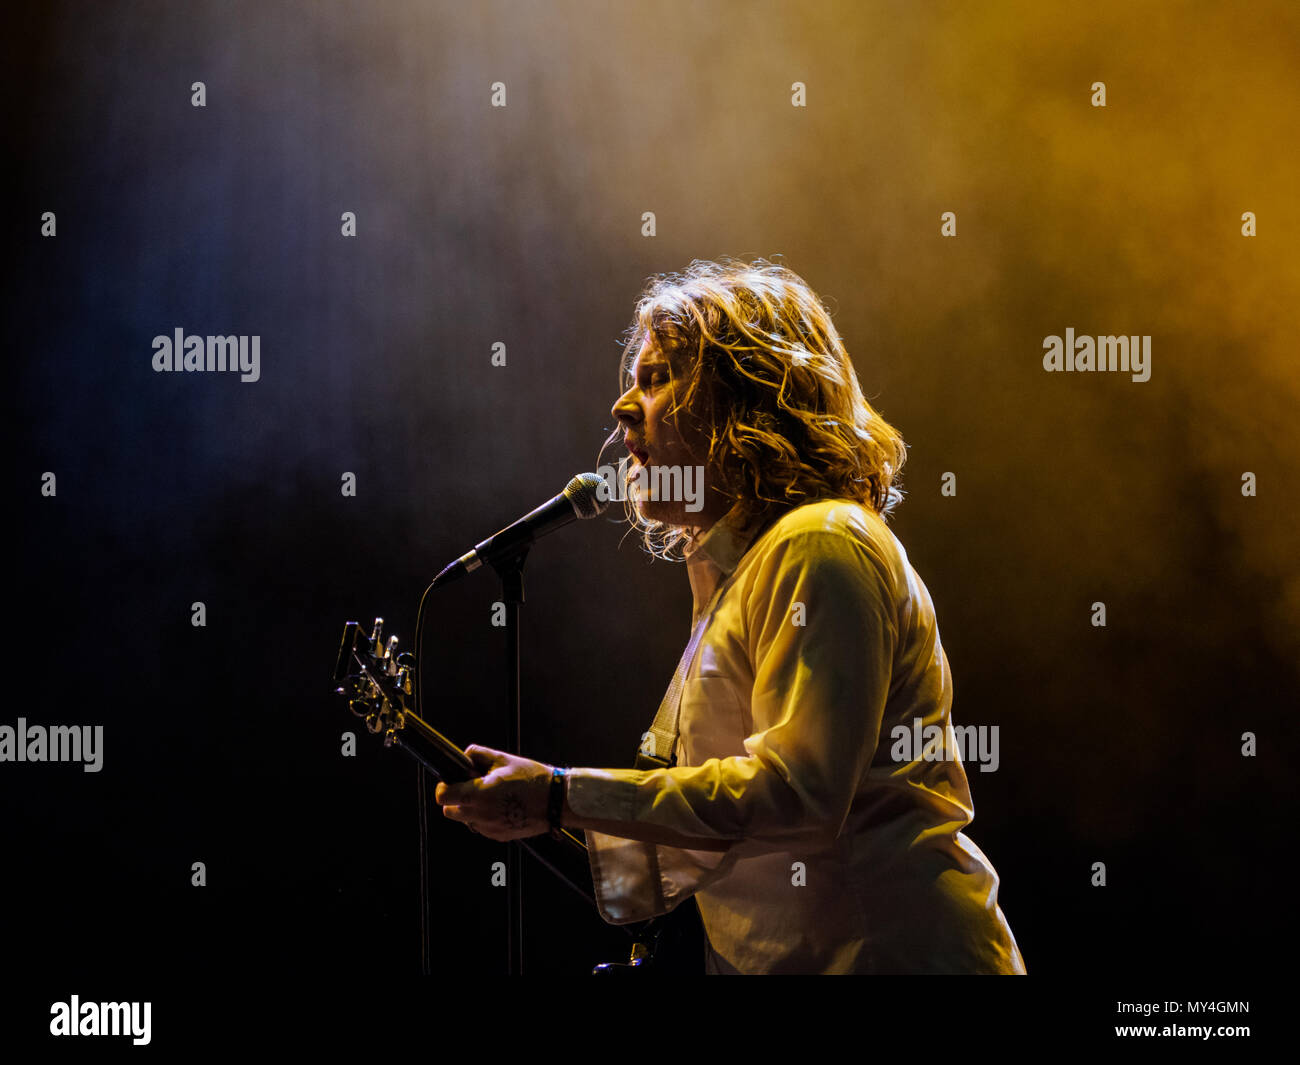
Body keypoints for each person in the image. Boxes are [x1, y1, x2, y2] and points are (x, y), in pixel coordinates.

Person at [436, 258, 1026, 974]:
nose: (623, 407)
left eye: (657, 378)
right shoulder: (738, 572)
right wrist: (545, 813)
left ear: (742, 397)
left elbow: (796, 794)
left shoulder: (821, 543)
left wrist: (562, 795)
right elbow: (717, 835)